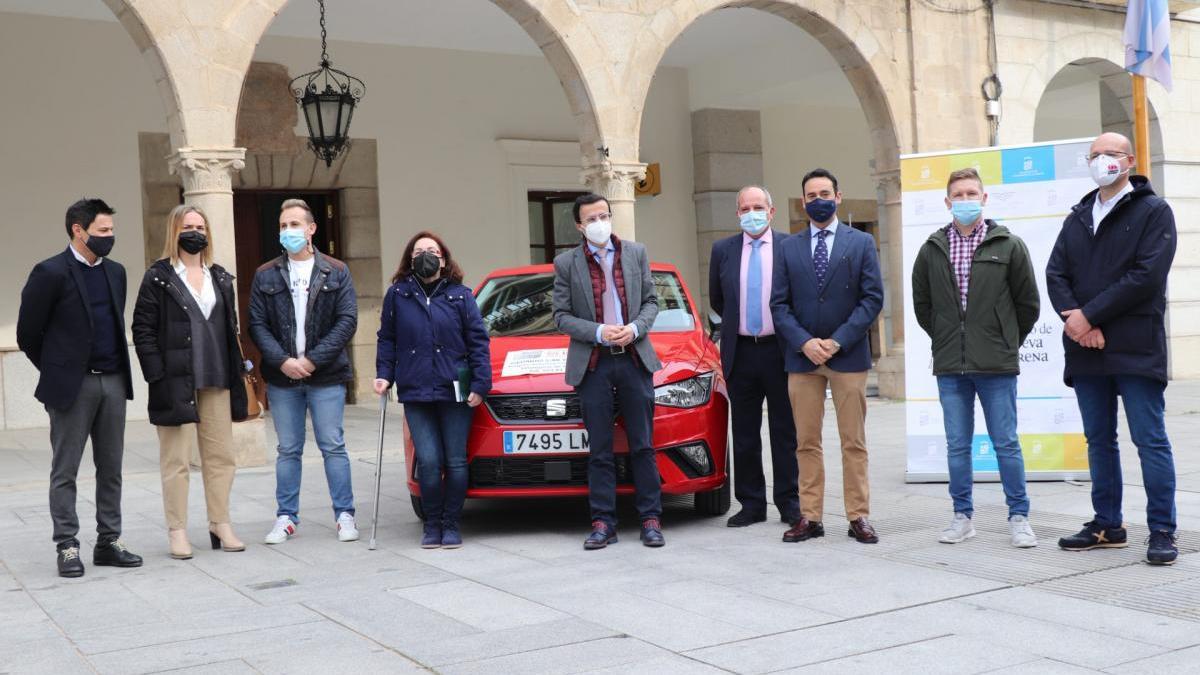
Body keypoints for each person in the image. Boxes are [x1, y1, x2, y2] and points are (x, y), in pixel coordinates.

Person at [1046, 132, 1180, 565]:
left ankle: (1161, 529)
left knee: (1149, 440)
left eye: (1111, 154)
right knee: (1099, 440)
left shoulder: (1153, 211)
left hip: (1135, 346)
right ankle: (1107, 523)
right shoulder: (1079, 216)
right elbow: (1056, 272)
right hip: (1087, 350)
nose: (1102, 160)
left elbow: (1145, 276)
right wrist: (1076, 320)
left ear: (1129, 161)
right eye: (1095, 154)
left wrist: (1092, 316)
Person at [911, 168, 1041, 548]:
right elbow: (923, 305)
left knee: (1006, 443)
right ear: (948, 201)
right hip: (951, 366)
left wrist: (1004, 340)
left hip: (997, 365)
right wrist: (946, 338)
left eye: (972, 193)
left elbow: (1027, 303)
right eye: (958, 194)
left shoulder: (1008, 245)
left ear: (983, 199)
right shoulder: (932, 248)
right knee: (956, 445)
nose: (965, 200)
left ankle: (1019, 516)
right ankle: (962, 516)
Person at [17, 198, 142, 577]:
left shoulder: (116, 272)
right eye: (103, 231)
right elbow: (27, 334)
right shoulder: (50, 272)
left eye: (112, 231)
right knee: (65, 469)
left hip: (114, 382)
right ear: (78, 230)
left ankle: (109, 541)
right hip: (73, 386)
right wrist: (60, 370)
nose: (109, 237)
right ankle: (67, 545)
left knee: (112, 467)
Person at [772, 169, 884, 544]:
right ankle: (810, 516)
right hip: (802, 360)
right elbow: (779, 304)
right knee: (806, 441)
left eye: (824, 192)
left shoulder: (861, 243)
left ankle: (858, 516)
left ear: (838, 197)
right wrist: (805, 342)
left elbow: (872, 299)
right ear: (802, 201)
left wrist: (836, 341)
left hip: (848, 357)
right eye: (810, 194)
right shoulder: (788, 247)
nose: (817, 198)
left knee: (853, 441)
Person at [132, 205, 249, 559]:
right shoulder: (158, 277)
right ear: (174, 231)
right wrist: (157, 375)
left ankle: (220, 522)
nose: (195, 232)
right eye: (188, 226)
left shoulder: (221, 277)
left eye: (200, 226)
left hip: (216, 377)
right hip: (175, 380)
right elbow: (143, 330)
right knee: (177, 460)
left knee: (221, 456)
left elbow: (230, 330)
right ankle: (177, 530)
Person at [552, 193, 664, 549]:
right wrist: (599, 332)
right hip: (594, 363)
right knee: (599, 448)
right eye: (591, 219)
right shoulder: (566, 263)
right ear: (579, 226)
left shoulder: (636, 253)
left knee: (643, 445)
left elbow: (651, 301)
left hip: (633, 357)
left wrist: (635, 328)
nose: (600, 223)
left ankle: (650, 519)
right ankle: (603, 522)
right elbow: (561, 315)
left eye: (604, 215)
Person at [249, 199, 360, 545]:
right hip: (283, 378)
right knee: (288, 449)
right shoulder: (265, 273)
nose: (288, 231)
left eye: (295, 225)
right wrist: (283, 361)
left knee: (333, 445)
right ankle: (286, 517)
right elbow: (256, 323)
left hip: (325, 376)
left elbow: (347, 321)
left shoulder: (336, 271)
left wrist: (311, 361)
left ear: (312, 229)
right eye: (283, 226)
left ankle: (345, 515)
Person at [375, 231, 491, 549]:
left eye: (432, 250)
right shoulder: (398, 295)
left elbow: (478, 341)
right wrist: (384, 375)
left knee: (454, 460)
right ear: (410, 259)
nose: (425, 255)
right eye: (419, 251)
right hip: (415, 390)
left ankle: (451, 523)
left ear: (443, 258)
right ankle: (432, 524)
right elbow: (387, 338)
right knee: (427, 461)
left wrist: (481, 384)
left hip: (455, 390)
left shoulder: (461, 295)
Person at [708, 185, 800, 528]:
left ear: (772, 211)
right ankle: (751, 504)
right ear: (737, 214)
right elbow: (719, 300)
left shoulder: (791, 246)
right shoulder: (723, 250)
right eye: (745, 208)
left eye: (758, 206)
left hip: (780, 350)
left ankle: (789, 503)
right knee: (745, 432)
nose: (752, 213)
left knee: (784, 431)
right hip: (741, 351)